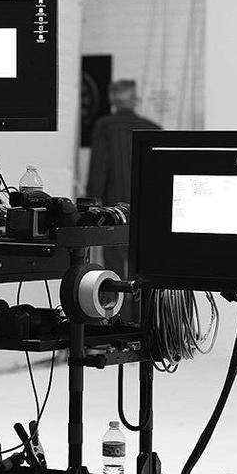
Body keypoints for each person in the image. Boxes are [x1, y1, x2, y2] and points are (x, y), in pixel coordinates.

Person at [86, 80, 161, 320]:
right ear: (135, 99)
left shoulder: (105, 126)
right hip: (148, 211)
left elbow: (99, 170)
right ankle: (144, 323)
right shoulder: (153, 128)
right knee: (144, 271)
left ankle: (118, 322)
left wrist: (90, 209)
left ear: (112, 100)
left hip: (114, 213)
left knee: (115, 272)